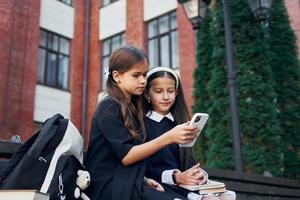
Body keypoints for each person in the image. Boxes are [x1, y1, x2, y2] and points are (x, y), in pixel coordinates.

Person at [85, 46, 199, 200]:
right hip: (108, 187)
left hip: (130, 182)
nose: (143, 81)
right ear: (117, 76)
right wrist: (170, 137)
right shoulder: (109, 106)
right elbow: (126, 156)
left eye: (144, 75)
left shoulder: (131, 108)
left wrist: (145, 180)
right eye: (136, 75)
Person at [143, 66, 236, 200]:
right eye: (158, 91)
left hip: (186, 185)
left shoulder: (181, 123)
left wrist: (198, 174)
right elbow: (145, 169)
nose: (165, 97)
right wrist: (177, 177)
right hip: (161, 186)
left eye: (170, 91)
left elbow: (188, 161)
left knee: (224, 197)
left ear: (176, 93)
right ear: (147, 94)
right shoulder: (142, 125)